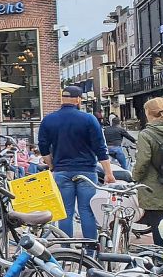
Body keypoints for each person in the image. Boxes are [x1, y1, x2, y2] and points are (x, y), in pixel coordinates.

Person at [38, 86, 115, 240]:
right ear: (78, 99)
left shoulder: (48, 120)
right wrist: (108, 173)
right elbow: (100, 148)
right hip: (86, 170)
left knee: (65, 211)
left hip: (61, 171)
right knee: (87, 210)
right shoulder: (89, 119)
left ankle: (67, 250)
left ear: (62, 98)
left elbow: (43, 147)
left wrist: (52, 165)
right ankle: (89, 250)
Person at [132, 98, 163, 246]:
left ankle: (161, 262)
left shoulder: (146, 135)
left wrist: (135, 177)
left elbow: (143, 161)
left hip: (155, 188)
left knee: (158, 228)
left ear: (148, 113)